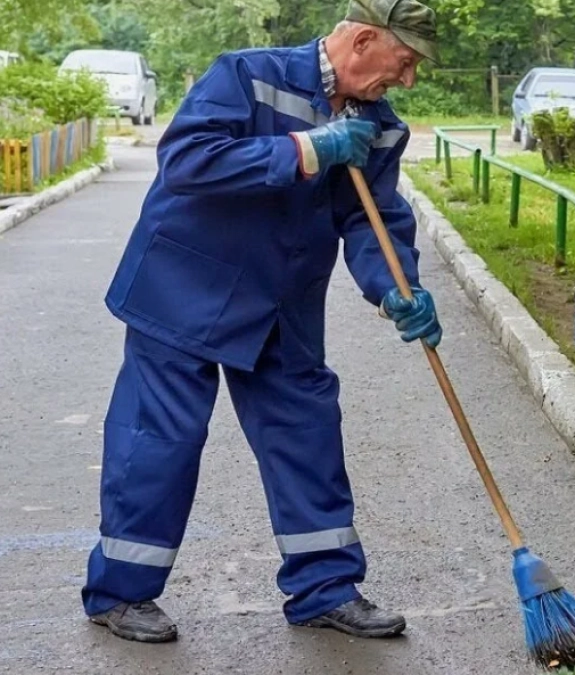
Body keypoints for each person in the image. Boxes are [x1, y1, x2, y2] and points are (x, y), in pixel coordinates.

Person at [82, 0, 444, 644]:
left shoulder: (380, 127)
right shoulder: (247, 75)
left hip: (283, 303)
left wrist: (398, 287)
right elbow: (188, 163)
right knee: (159, 442)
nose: (408, 80)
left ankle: (325, 589)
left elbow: (372, 219)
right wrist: (307, 149)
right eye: (406, 62)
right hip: (184, 290)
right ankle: (120, 592)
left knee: (307, 435)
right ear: (363, 39)